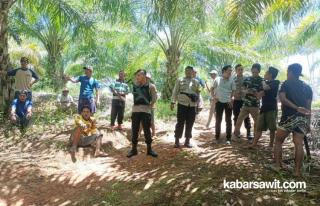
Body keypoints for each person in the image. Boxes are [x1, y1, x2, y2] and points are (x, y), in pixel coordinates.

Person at [274, 63, 312, 177]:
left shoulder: (286, 83)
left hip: (288, 117)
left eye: (287, 72)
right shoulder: (308, 87)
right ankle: (297, 171)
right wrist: (308, 123)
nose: (287, 74)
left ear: (290, 72)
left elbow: (283, 99)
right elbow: (308, 108)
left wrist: (296, 108)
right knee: (299, 144)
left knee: (278, 141)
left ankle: (277, 166)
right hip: (302, 120)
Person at [127, 69, 158, 158]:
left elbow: (154, 98)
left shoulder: (151, 86)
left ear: (144, 76)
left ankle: (149, 149)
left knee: (147, 130)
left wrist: (149, 106)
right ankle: (133, 150)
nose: (137, 77)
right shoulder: (135, 86)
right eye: (136, 75)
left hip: (146, 111)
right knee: (134, 130)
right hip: (136, 110)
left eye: (139, 75)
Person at [171, 66, 201, 148]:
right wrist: (172, 102)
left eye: (189, 71)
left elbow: (198, 94)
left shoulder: (196, 82)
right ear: (185, 72)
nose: (188, 72)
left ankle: (187, 141)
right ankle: (177, 140)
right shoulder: (180, 80)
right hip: (182, 104)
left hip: (192, 105)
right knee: (180, 122)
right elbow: (175, 91)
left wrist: (199, 105)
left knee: (190, 123)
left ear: (192, 72)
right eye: (186, 71)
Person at [251, 67, 280, 148]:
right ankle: (254, 144)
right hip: (263, 108)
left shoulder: (275, 82)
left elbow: (266, 88)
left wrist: (263, 81)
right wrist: (254, 92)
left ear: (270, 75)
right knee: (259, 127)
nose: (264, 75)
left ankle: (270, 145)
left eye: (266, 73)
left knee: (272, 128)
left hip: (272, 108)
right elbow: (259, 96)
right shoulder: (264, 83)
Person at [234, 63, 264, 141]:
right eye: (253, 71)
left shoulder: (261, 80)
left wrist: (255, 93)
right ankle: (235, 135)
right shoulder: (247, 79)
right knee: (239, 120)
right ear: (251, 70)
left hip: (255, 105)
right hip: (246, 104)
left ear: (259, 71)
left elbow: (261, 93)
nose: (254, 73)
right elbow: (242, 89)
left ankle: (255, 138)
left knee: (256, 122)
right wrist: (247, 91)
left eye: (256, 72)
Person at [213, 65, 235, 145]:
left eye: (231, 71)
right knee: (218, 120)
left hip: (228, 103)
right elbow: (212, 88)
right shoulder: (217, 79)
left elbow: (233, 91)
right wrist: (214, 97)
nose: (230, 72)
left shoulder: (232, 80)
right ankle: (217, 137)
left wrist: (231, 98)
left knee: (228, 120)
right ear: (224, 71)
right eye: (229, 70)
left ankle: (228, 138)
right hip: (219, 102)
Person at [233, 64, 252, 139]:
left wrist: (244, 91)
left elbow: (250, 88)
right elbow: (231, 89)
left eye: (241, 69)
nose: (240, 71)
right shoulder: (233, 79)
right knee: (236, 116)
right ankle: (237, 132)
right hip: (236, 100)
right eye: (239, 69)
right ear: (236, 70)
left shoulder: (247, 79)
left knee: (246, 116)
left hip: (245, 100)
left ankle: (249, 132)